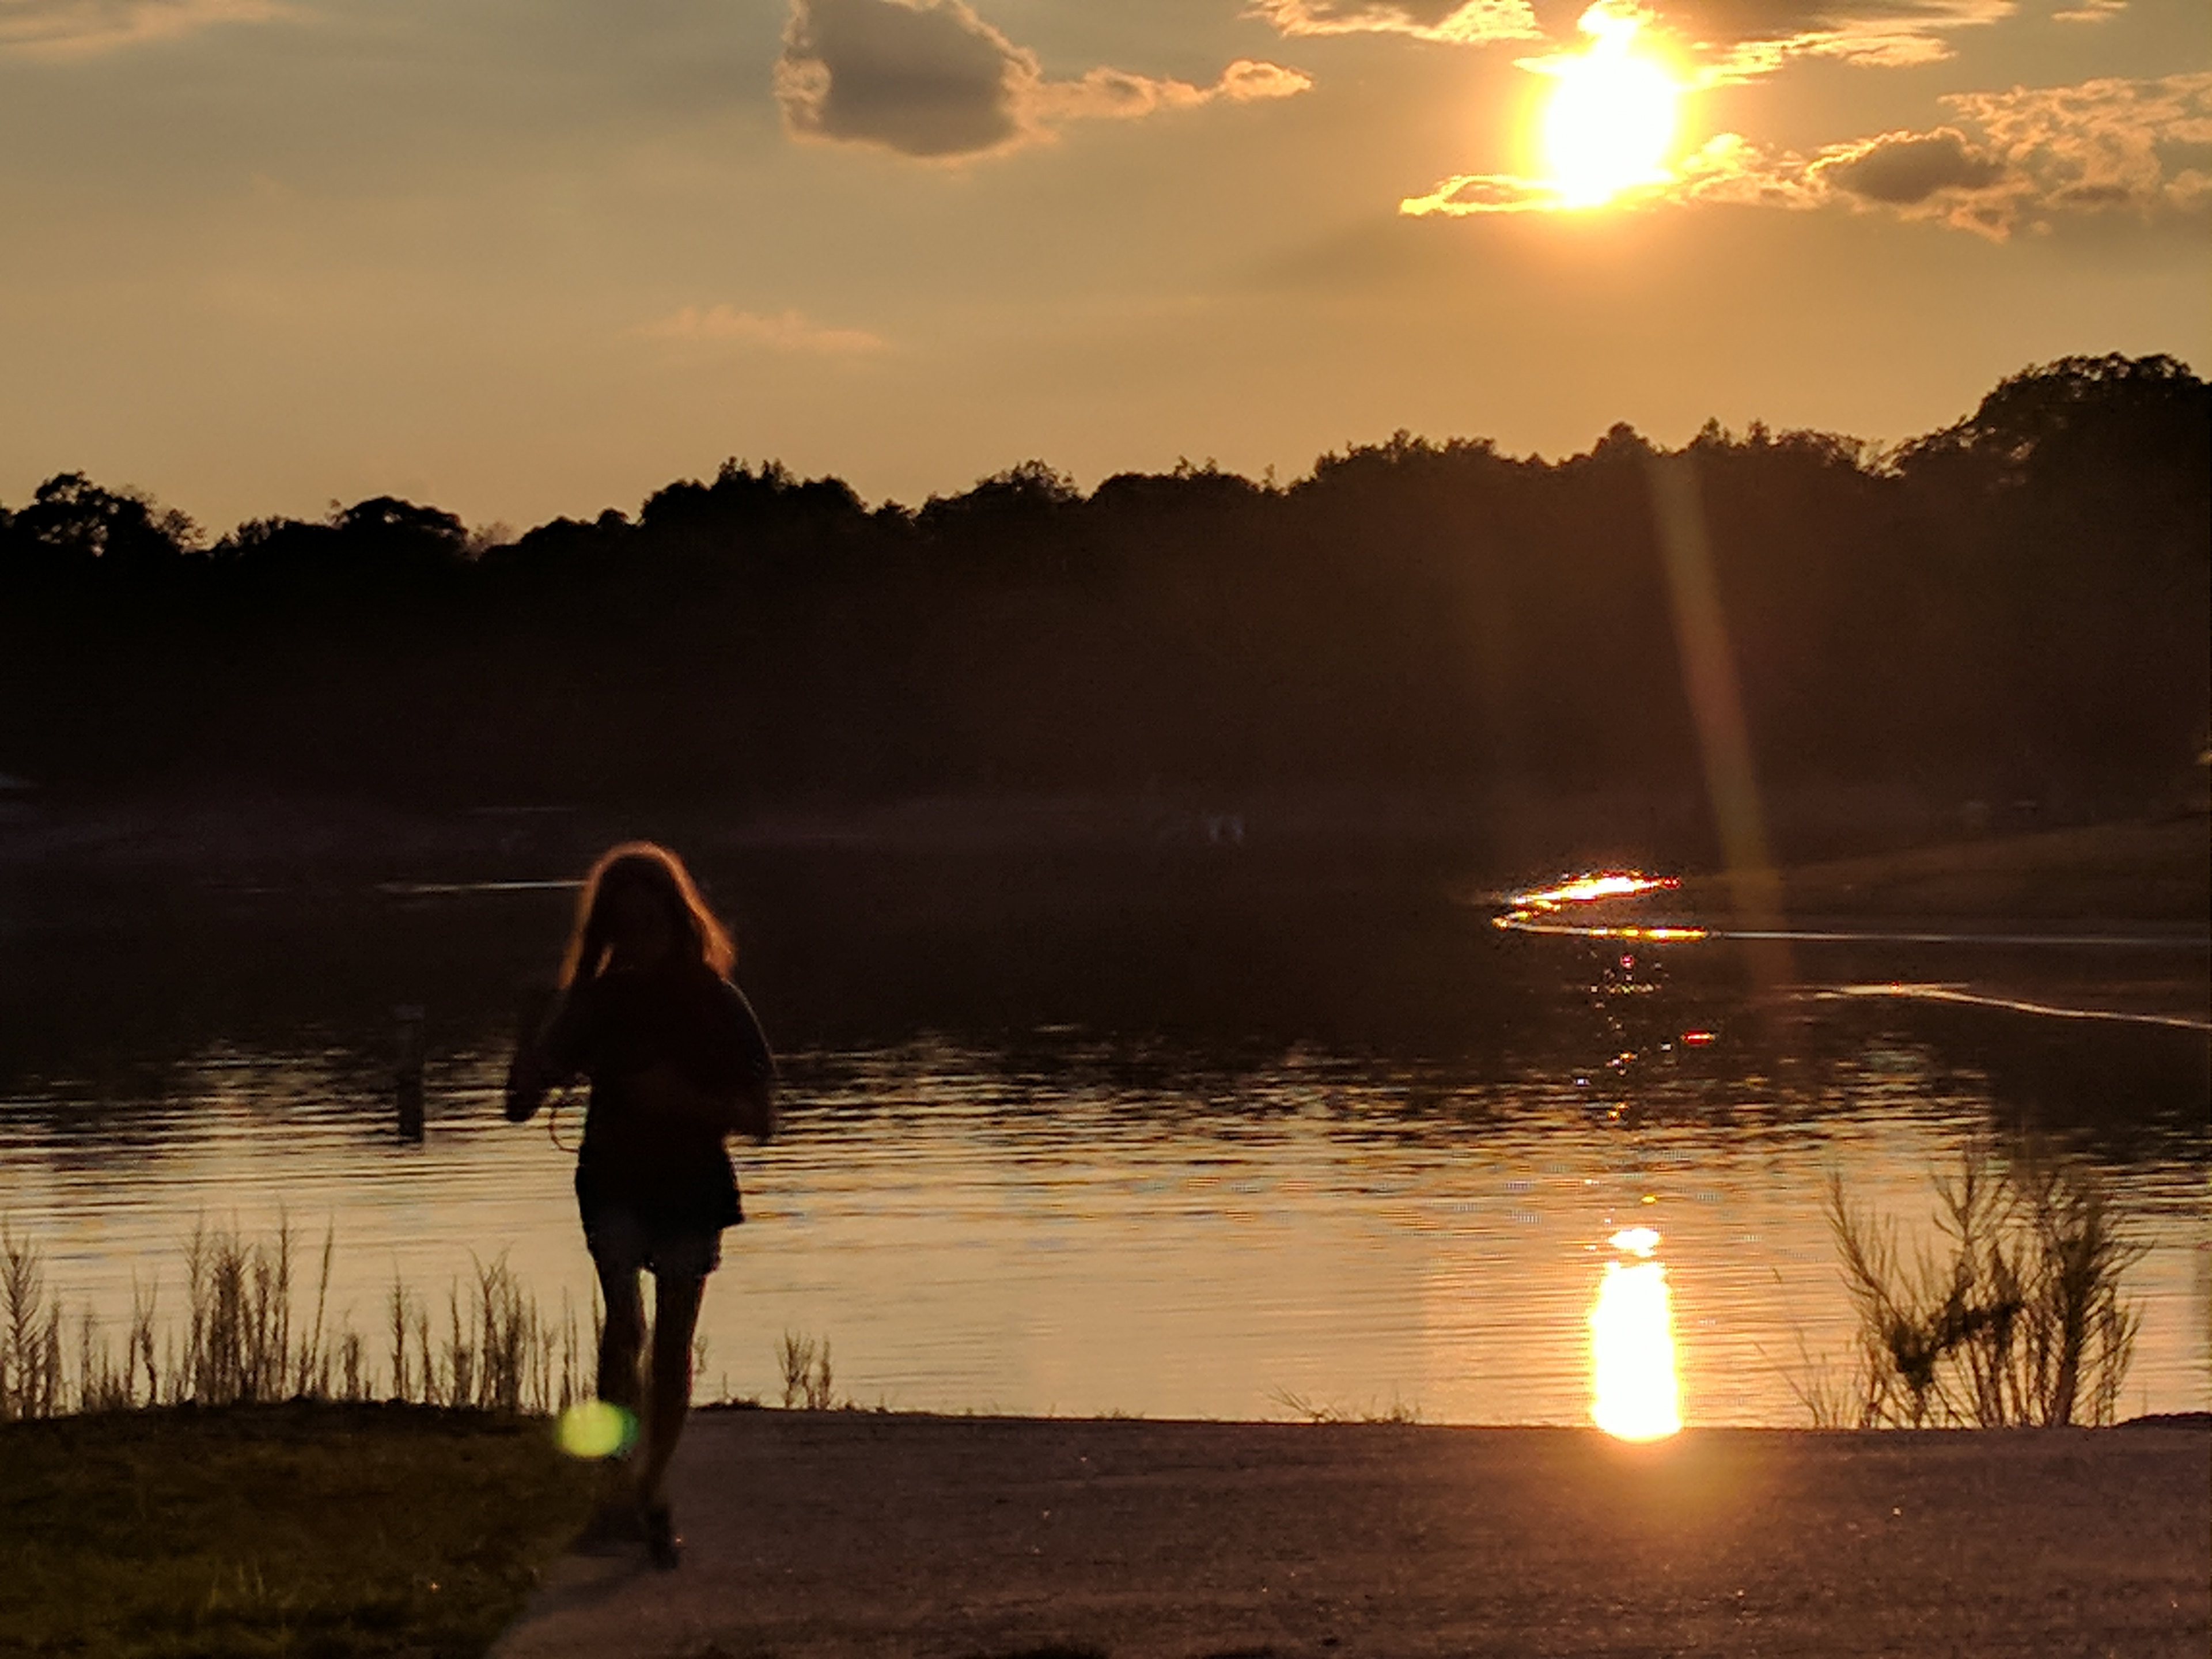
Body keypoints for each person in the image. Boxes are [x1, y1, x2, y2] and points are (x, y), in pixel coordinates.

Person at [504, 842, 775, 1569]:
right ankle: (615, 1492)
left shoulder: (719, 1003)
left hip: (691, 1185)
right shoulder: (596, 1004)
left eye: (649, 923)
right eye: (623, 927)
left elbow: (763, 1118)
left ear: (676, 921)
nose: (639, 940)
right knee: (624, 1327)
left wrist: (679, 1102)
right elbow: (520, 1105)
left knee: (673, 1344)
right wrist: (530, 1032)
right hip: (613, 1181)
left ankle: (646, 1492)